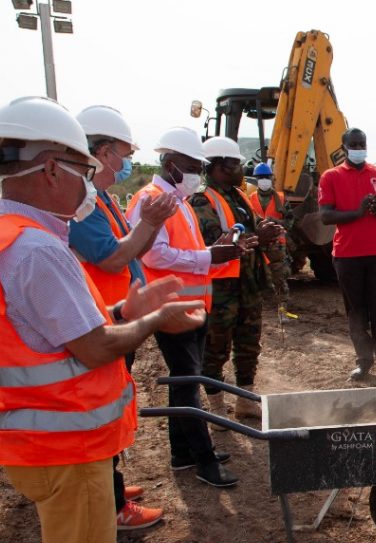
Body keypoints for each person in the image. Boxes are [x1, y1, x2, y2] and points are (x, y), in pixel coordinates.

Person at [0, 96, 206, 543]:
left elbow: (46, 329)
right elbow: (95, 347)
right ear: (52, 169)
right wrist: (154, 321)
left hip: (41, 438)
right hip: (68, 443)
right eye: (86, 168)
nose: (91, 181)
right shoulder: (36, 247)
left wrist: (123, 309)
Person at [70, 105, 172, 530]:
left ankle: (110, 483)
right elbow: (113, 258)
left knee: (112, 405)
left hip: (113, 315)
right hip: (100, 324)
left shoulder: (102, 199)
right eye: (122, 153)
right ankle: (109, 501)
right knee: (99, 410)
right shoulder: (82, 205)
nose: (125, 161)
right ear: (100, 152)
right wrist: (148, 225)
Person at [127, 127, 244, 488]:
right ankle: (204, 459)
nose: (197, 174)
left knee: (183, 381)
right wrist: (207, 256)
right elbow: (153, 252)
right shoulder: (150, 200)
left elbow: (188, 251)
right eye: (192, 166)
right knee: (188, 382)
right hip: (170, 307)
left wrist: (219, 251)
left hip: (191, 305)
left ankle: (183, 453)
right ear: (170, 163)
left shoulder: (177, 201)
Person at [190, 137, 283, 422]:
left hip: (248, 284)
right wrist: (259, 237)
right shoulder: (202, 199)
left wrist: (266, 231)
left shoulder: (240, 195)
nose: (241, 167)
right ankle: (217, 408)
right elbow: (213, 241)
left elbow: (253, 229)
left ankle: (245, 400)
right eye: (235, 163)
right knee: (216, 348)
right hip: (221, 288)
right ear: (218, 166)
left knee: (248, 343)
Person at [320, 128, 376, 385]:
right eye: (354, 144)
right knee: (356, 313)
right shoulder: (330, 176)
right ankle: (363, 362)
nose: (359, 148)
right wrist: (357, 212)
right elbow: (326, 216)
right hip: (346, 255)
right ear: (344, 147)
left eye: (362, 143)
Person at [247, 162, 299, 318]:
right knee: (254, 277)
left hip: (276, 245)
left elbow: (290, 222)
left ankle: (282, 311)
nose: (264, 180)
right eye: (261, 177)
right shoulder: (250, 198)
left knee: (279, 278)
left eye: (266, 177)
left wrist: (275, 222)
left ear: (271, 178)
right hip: (258, 244)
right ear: (256, 179)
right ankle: (257, 311)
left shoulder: (281, 199)